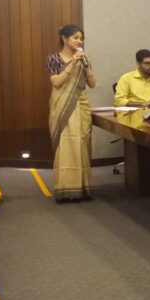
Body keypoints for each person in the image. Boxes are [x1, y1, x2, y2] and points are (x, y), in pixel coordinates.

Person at [46, 24, 96, 202]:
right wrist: (73, 62)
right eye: (76, 37)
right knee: (66, 145)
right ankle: (65, 189)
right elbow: (57, 83)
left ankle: (83, 187)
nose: (79, 41)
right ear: (64, 38)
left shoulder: (84, 59)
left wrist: (87, 66)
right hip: (62, 106)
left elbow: (92, 84)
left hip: (81, 105)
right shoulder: (53, 59)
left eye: (81, 38)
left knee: (82, 142)